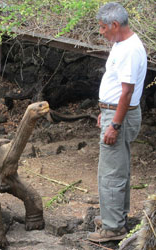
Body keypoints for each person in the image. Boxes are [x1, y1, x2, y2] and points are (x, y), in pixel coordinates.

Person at [87, 2, 147, 243]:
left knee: (112, 172)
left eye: (103, 28)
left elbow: (127, 92)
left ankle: (113, 228)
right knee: (115, 168)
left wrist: (115, 124)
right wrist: (106, 110)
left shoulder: (130, 49)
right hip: (114, 111)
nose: (101, 32)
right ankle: (115, 217)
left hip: (120, 114)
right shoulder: (122, 44)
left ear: (114, 25)